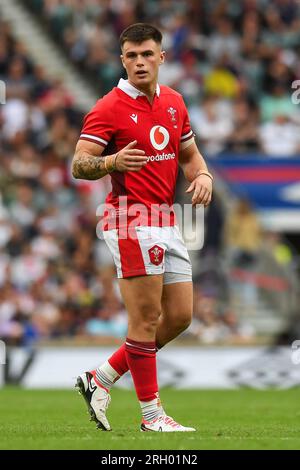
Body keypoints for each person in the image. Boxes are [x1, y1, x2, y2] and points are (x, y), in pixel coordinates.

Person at [72, 23, 213, 432]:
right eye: (131, 56)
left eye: (147, 54)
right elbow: (79, 164)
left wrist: (203, 175)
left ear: (161, 57)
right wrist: (112, 162)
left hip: (167, 220)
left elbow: (190, 155)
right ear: (122, 60)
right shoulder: (108, 107)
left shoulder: (173, 101)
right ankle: (152, 417)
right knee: (147, 319)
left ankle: (100, 378)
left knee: (180, 317)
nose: (139, 62)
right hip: (129, 219)